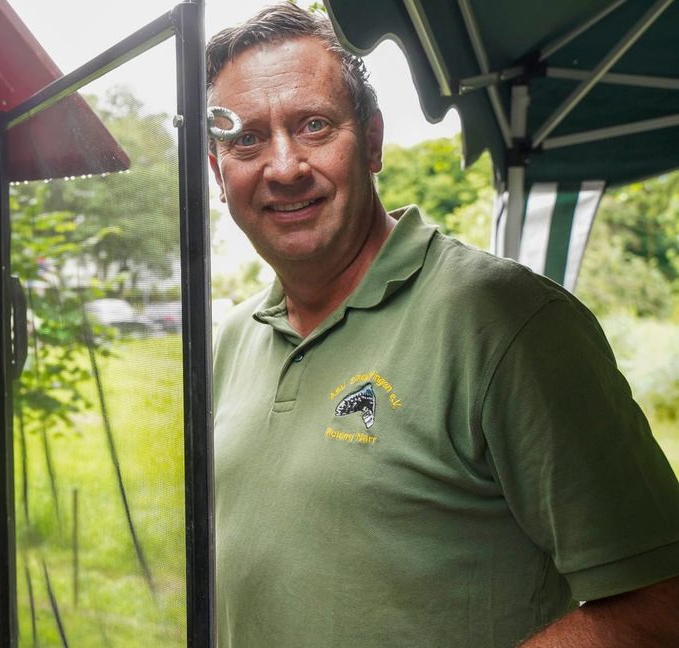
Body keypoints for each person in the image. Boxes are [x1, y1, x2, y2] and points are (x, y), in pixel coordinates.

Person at [207, 4, 679, 646]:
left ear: (371, 141)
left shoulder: (511, 323)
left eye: (313, 125)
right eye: (247, 139)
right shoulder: (231, 340)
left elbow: (660, 602)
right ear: (217, 169)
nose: (284, 166)